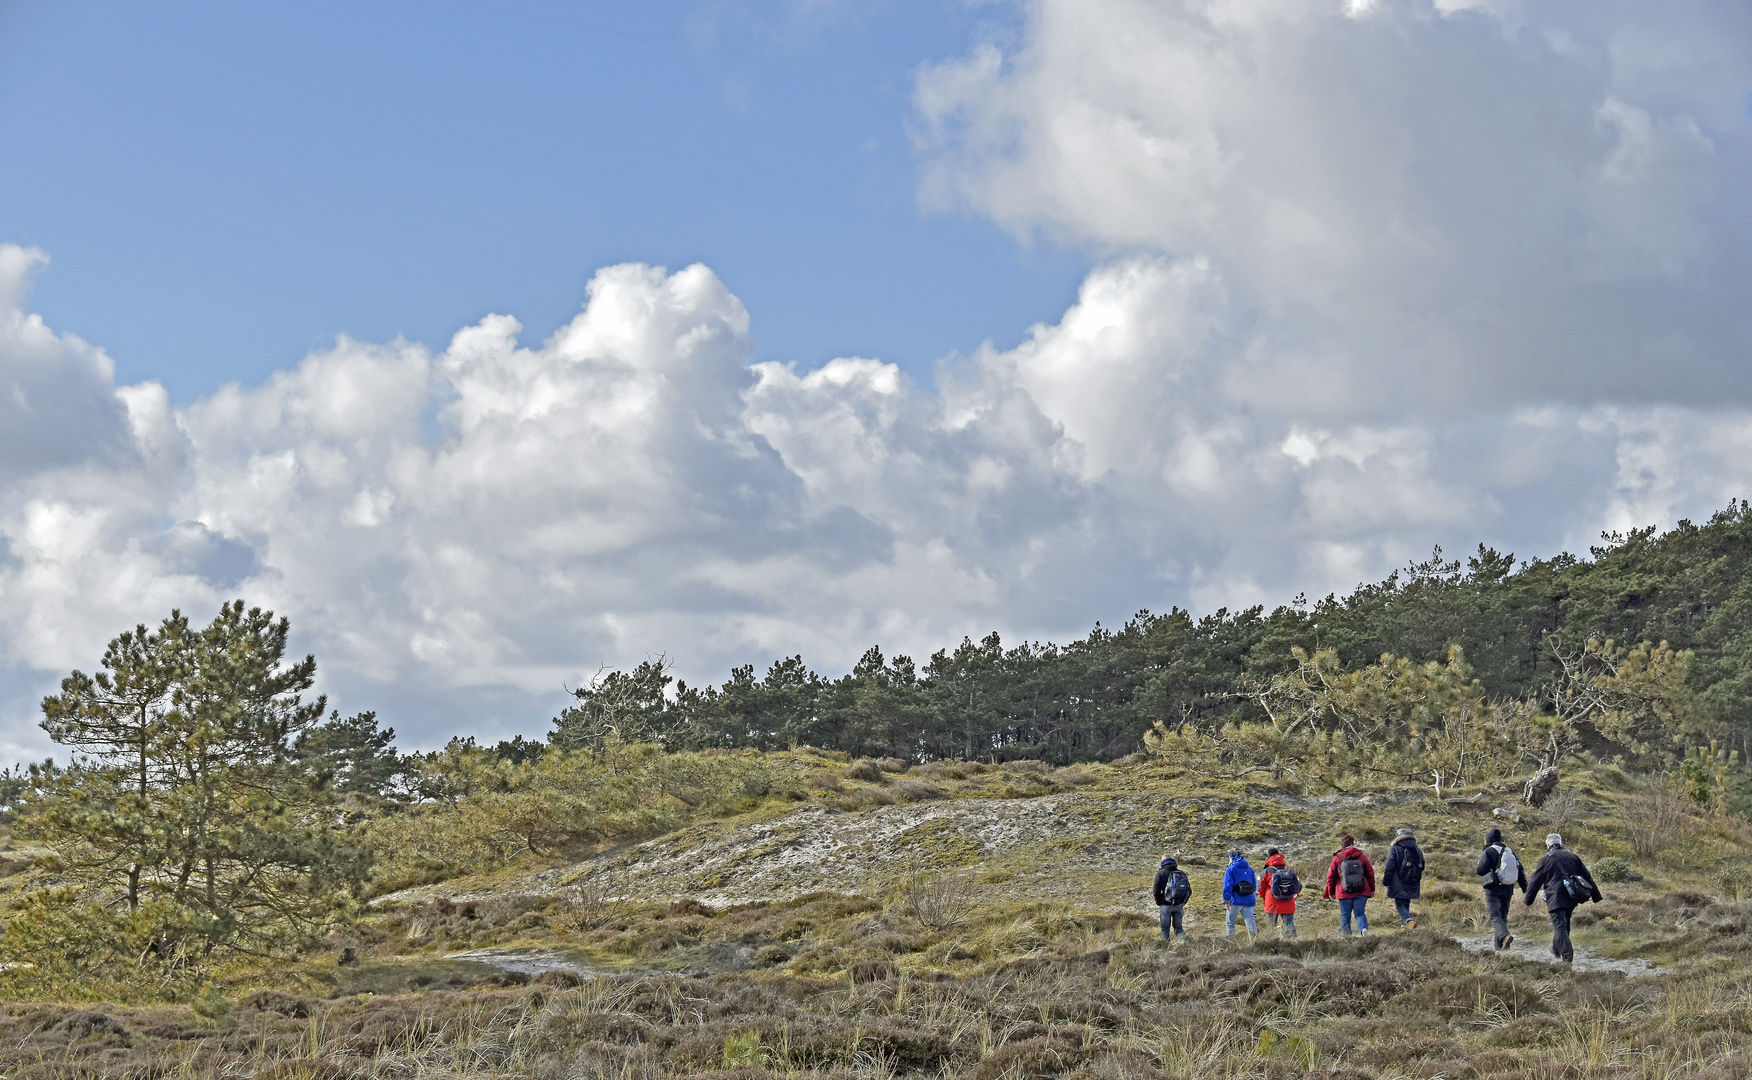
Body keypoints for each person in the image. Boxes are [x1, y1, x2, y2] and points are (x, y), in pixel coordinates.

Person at [1523, 832, 1602, 963]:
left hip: (1555, 898)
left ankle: (1567, 957)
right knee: (1564, 925)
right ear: (1560, 843)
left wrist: (1528, 900)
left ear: (1548, 845)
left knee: (1560, 926)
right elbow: (1587, 877)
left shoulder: (1545, 859)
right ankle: (1555, 949)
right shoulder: (1573, 857)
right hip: (1572, 897)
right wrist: (1596, 896)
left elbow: (1535, 881)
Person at [1475, 826, 1527, 950]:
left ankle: (1504, 936)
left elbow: (1480, 870)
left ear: (1490, 839)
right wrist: (1525, 887)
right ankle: (1500, 948)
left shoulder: (1489, 851)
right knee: (1503, 916)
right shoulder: (1510, 851)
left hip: (1493, 889)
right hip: (1508, 888)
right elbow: (1520, 869)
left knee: (1494, 915)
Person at [1323, 835, 1375, 937]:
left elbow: (1331, 877)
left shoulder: (1337, 858)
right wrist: (1372, 889)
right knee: (1360, 913)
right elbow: (1370, 873)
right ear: (1353, 843)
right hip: (1361, 890)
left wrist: (1331, 892)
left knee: (1345, 915)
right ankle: (1363, 929)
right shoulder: (1361, 856)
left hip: (1343, 891)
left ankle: (1346, 936)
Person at [1382, 827, 1425, 929]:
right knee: (1406, 903)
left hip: (1398, 881)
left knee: (1399, 905)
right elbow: (1422, 865)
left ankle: (1408, 921)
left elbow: (1390, 866)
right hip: (1413, 881)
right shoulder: (1417, 849)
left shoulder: (1395, 848)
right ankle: (1404, 928)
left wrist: (1386, 881)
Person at [1259, 847, 1301, 938]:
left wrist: (1265, 898)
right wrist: (1294, 895)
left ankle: (1272, 944)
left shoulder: (1266, 872)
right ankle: (1294, 944)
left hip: (1271, 904)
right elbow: (1298, 887)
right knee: (1289, 925)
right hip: (1289, 902)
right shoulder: (1289, 872)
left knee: (1271, 927)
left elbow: (1259, 889)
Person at [1153, 854, 1191, 942]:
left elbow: (1156, 891)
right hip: (1179, 905)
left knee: (1165, 929)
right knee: (1179, 928)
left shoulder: (1160, 873)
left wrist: (1159, 902)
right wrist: (1183, 902)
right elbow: (1189, 891)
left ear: (1163, 861)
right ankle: (1186, 945)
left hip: (1165, 905)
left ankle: (1166, 950)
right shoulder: (1181, 873)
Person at [1222, 849, 1259, 937]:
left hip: (1235, 900)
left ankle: (1231, 944)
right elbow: (1254, 886)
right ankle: (1256, 944)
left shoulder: (1230, 869)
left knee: (1230, 923)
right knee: (1250, 923)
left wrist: (1226, 900)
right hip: (1249, 900)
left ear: (1231, 858)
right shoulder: (1250, 868)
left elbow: (1228, 885)